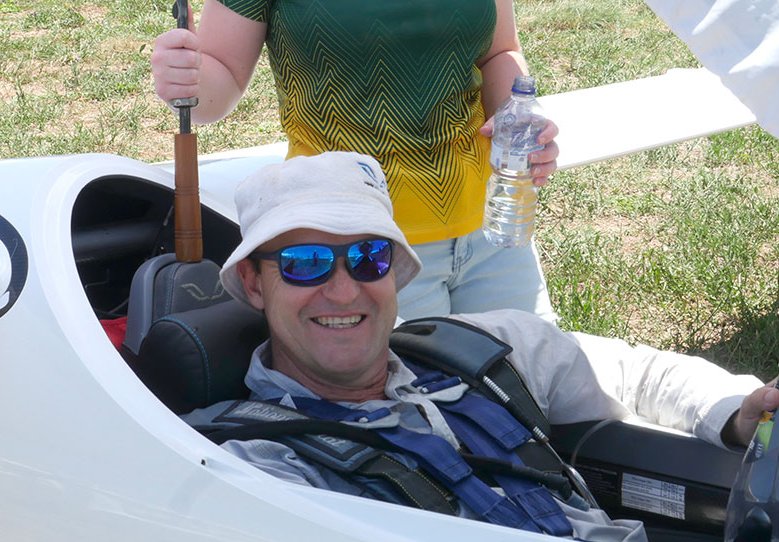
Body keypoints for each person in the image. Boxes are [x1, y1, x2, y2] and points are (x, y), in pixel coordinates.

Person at [186, 151, 779, 542]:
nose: (341, 287)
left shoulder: (476, 350)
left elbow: (637, 372)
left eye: (367, 256)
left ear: (395, 272)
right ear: (253, 281)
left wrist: (750, 411)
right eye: (302, 263)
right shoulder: (266, 470)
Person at [151, 0, 559, 321]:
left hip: (494, 228)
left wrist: (519, 122)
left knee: (533, 395)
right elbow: (221, 75)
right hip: (361, 248)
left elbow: (498, 51)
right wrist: (189, 79)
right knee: (417, 415)